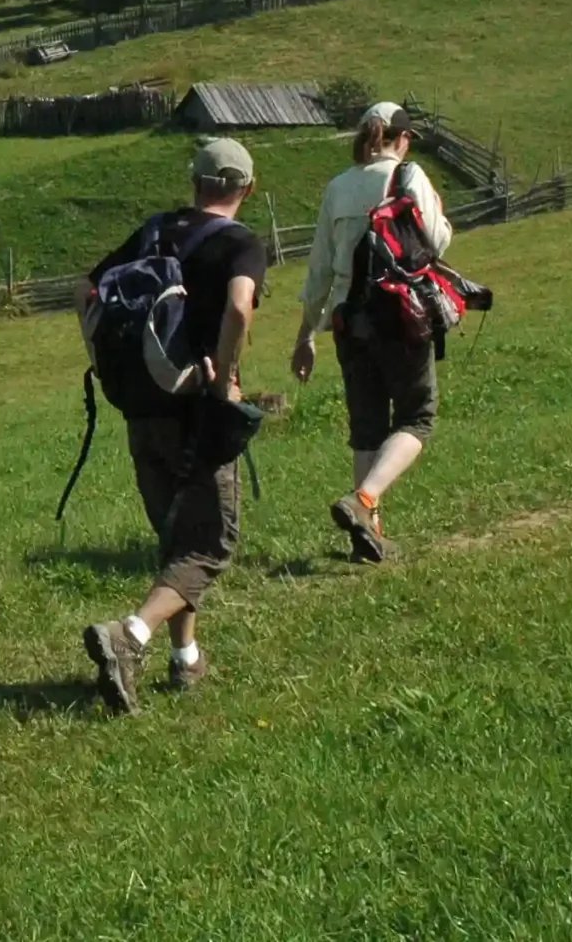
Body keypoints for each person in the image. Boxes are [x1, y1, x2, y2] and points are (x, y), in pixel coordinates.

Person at [83, 137, 269, 710]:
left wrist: (101, 361)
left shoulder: (154, 232)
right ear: (248, 188)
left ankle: (185, 658)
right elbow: (239, 307)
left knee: (176, 540)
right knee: (210, 544)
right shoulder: (241, 244)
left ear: (194, 181)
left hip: (142, 409)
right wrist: (224, 376)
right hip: (197, 414)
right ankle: (130, 636)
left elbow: (87, 289)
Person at [291, 102, 451, 564]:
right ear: (401, 139)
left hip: (348, 321)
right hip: (401, 315)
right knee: (419, 417)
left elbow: (319, 268)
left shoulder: (337, 188)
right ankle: (363, 502)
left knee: (367, 429)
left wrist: (306, 335)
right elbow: (437, 241)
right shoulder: (409, 177)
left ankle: (369, 538)